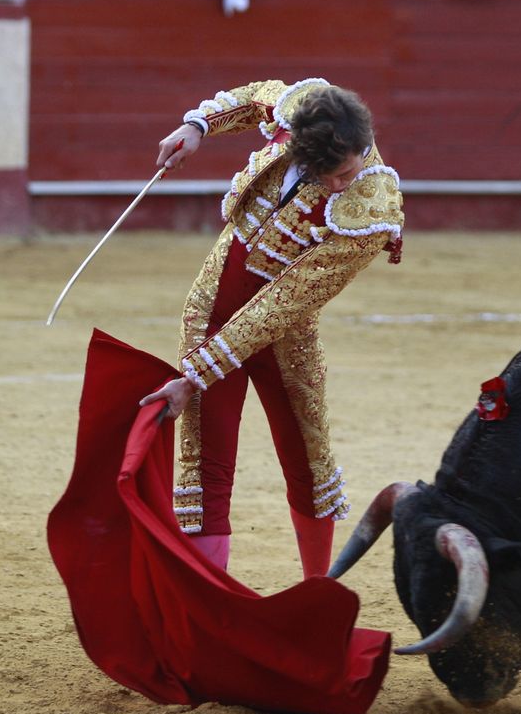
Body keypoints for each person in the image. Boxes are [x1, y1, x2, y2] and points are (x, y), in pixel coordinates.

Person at [138, 78, 403, 577]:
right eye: (331, 176)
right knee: (205, 471)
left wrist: (195, 375)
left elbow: (283, 304)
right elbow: (251, 98)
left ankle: (314, 593)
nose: (343, 184)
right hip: (210, 315)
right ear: (296, 151)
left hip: (285, 338)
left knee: (309, 463)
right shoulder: (298, 110)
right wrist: (196, 126)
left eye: (348, 171)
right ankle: (206, 608)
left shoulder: (373, 208)